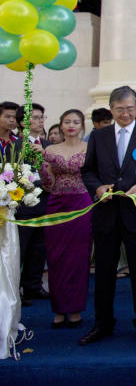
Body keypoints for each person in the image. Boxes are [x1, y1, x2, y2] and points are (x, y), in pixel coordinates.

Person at [79, 86, 136, 345]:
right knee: (104, 272)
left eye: (130, 109)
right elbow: (88, 170)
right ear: (111, 110)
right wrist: (97, 187)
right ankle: (103, 323)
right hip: (106, 213)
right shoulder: (99, 136)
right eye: (120, 109)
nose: (126, 114)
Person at [40, 109, 92, 328]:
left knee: (79, 257)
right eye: (67, 122)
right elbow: (48, 184)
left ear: (82, 126)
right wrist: (42, 169)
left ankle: (76, 309)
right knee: (56, 257)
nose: (71, 125)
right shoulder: (49, 150)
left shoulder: (90, 149)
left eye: (76, 122)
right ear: (60, 125)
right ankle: (59, 309)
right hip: (56, 204)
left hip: (82, 204)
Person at [16, 103, 48, 303]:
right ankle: (15, 288)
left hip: (45, 202)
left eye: (42, 117)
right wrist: (39, 182)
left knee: (39, 247)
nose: (40, 121)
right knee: (22, 247)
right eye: (35, 117)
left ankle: (33, 286)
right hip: (25, 204)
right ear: (22, 122)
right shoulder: (16, 145)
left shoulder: (45, 145)